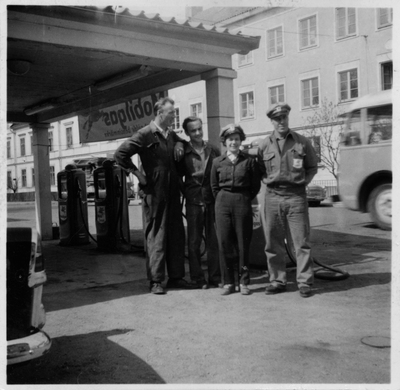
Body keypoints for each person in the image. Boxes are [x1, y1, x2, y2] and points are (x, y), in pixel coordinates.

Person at [114, 96, 192, 294]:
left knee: (176, 233)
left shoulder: (171, 135)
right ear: (160, 113)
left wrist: (181, 145)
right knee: (157, 233)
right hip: (154, 191)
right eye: (171, 112)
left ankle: (176, 277)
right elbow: (120, 154)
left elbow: (185, 143)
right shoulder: (145, 134)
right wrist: (138, 174)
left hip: (173, 190)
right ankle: (156, 280)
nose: (173, 116)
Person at [257, 103, 318, 298]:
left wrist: (302, 183)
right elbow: (257, 169)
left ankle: (304, 282)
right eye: (277, 119)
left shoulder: (302, 142)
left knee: (301, 242)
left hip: (296, 197)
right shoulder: (264, 144)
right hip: (273, 196)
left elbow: (312, 167)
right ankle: (277, 280)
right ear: (272, 121)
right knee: (273, 242)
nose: (281, 121)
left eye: (284, 117)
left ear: (288, 118)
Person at [211, 124, 261, 296]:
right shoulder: (217, 162)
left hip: (242, 202)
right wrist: (222, 198)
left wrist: (244, 198)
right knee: (225, 243)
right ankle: (228, 282)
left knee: (243, 244)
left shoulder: (249, 161)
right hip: (222, 203)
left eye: (237, 139)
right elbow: (214, 186)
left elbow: (255, 186)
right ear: (224, 142)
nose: (234, 142)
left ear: (241, 141)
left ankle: (244, 281)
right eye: (230, 139)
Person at [178, 116, 221, 289]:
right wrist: (186, 192)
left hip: (211, 200)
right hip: (193, 201)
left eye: (199, 129)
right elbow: (178, 176)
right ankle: (197, 278)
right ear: (187, 133)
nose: (197, 133)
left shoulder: (213, 149)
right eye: (193, 130)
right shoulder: (183, 152)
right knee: (194, 242)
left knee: (213, 241)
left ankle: (215, 277)